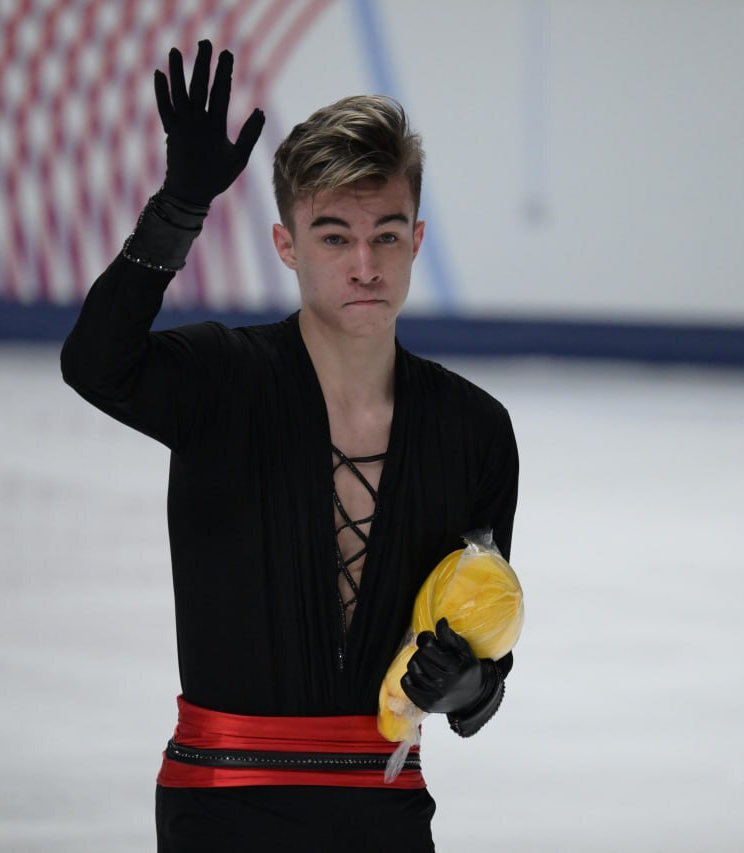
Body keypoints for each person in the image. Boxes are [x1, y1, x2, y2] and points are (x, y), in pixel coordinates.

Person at [60, 40, 519, 852]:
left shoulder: (474, 431)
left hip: (383, 815)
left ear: (416, 240)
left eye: (386, 236)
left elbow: (483, 670)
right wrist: (179, 208)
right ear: (287, 245)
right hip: (220, 807)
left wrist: (466, 684)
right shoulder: (219, 380)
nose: (365, 264)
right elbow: (94, 363)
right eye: (334, 237)